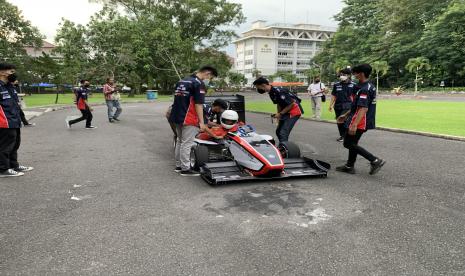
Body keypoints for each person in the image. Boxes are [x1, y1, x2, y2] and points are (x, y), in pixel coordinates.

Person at [336, 64, 385, 175]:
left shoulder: (364, 89)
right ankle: (349, 166)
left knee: (348, 143)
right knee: (353, 143)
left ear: (361, 73)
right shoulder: (364, 86)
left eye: (355, 73)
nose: (353, 75)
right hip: (359, 118)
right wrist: (346, 114)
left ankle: (374, 160)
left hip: (361, 120)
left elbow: (363, 108)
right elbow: (356, 105)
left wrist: (354, 124)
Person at [169, 65, 218, 176]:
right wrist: (201, 122)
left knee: (180, 141)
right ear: (207, 73)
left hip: (176, 116)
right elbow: (199, 104)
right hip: (189, 117)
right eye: (210, 78)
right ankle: (185, 169)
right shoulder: (198, 83)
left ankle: (179, 166)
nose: (208, 80)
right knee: (187, 143)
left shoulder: (182, 81)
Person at [0, 63, 34, 177]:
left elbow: (15, 104)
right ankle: (3, 169)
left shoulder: (10, 86)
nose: (13, 74)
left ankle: (13, 165)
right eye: (11, 72)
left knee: (15, 144)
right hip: (4, 122)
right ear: (2, 72)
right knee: (5, 146)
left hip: (14, 120)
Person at [253, 77, 303, 143]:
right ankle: (283, 146)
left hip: (294, 111)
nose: (258, 89)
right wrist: (278, 115)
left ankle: (285, 149)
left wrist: (280, 114)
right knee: (278, 131)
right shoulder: (271, 93)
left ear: (263, 85)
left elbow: (291, 104)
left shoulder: (279, 91)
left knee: (283, 133)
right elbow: (279, 104)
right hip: (286, 111)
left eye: (257, 87)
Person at [329, 68, 355, 142]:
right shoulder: (336, 85)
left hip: (348, 105)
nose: (342, 76)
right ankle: (342, 135)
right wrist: (330, 105)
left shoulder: (354, 85)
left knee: (343, 119)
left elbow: (355, 96)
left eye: (344, 75)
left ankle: (345, 136)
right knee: (339, 121)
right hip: (337, 105)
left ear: (349, 75)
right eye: (341, 75)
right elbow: (334, 95)